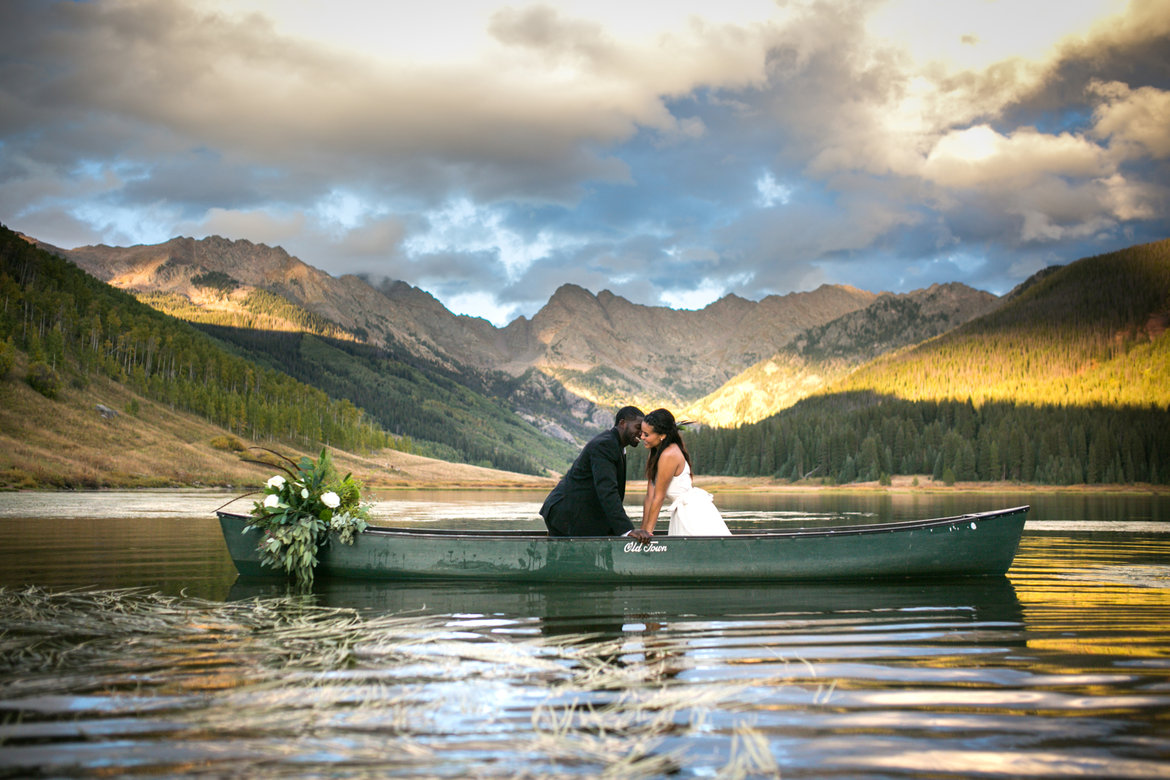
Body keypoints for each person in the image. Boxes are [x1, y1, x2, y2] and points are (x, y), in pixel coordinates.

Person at [540, 406, 652, 540]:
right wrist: (627, 530)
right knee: (575, 560)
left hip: (578, 515)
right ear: (622, 423)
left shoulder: (615, 444)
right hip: (567, 515)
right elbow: (607, 489)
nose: (641, 433)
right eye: (638, 427)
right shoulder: (605, 444)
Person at [639, 408, 731, 537]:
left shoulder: (669, 454)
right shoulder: (655, 453)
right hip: (681, 513)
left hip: (692, 514)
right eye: (642, 433)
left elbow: (658, 497)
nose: (642, 437)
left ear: (662, 436)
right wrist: (642, 531)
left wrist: (648, 533)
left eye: (646, 435)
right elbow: (650, 496)